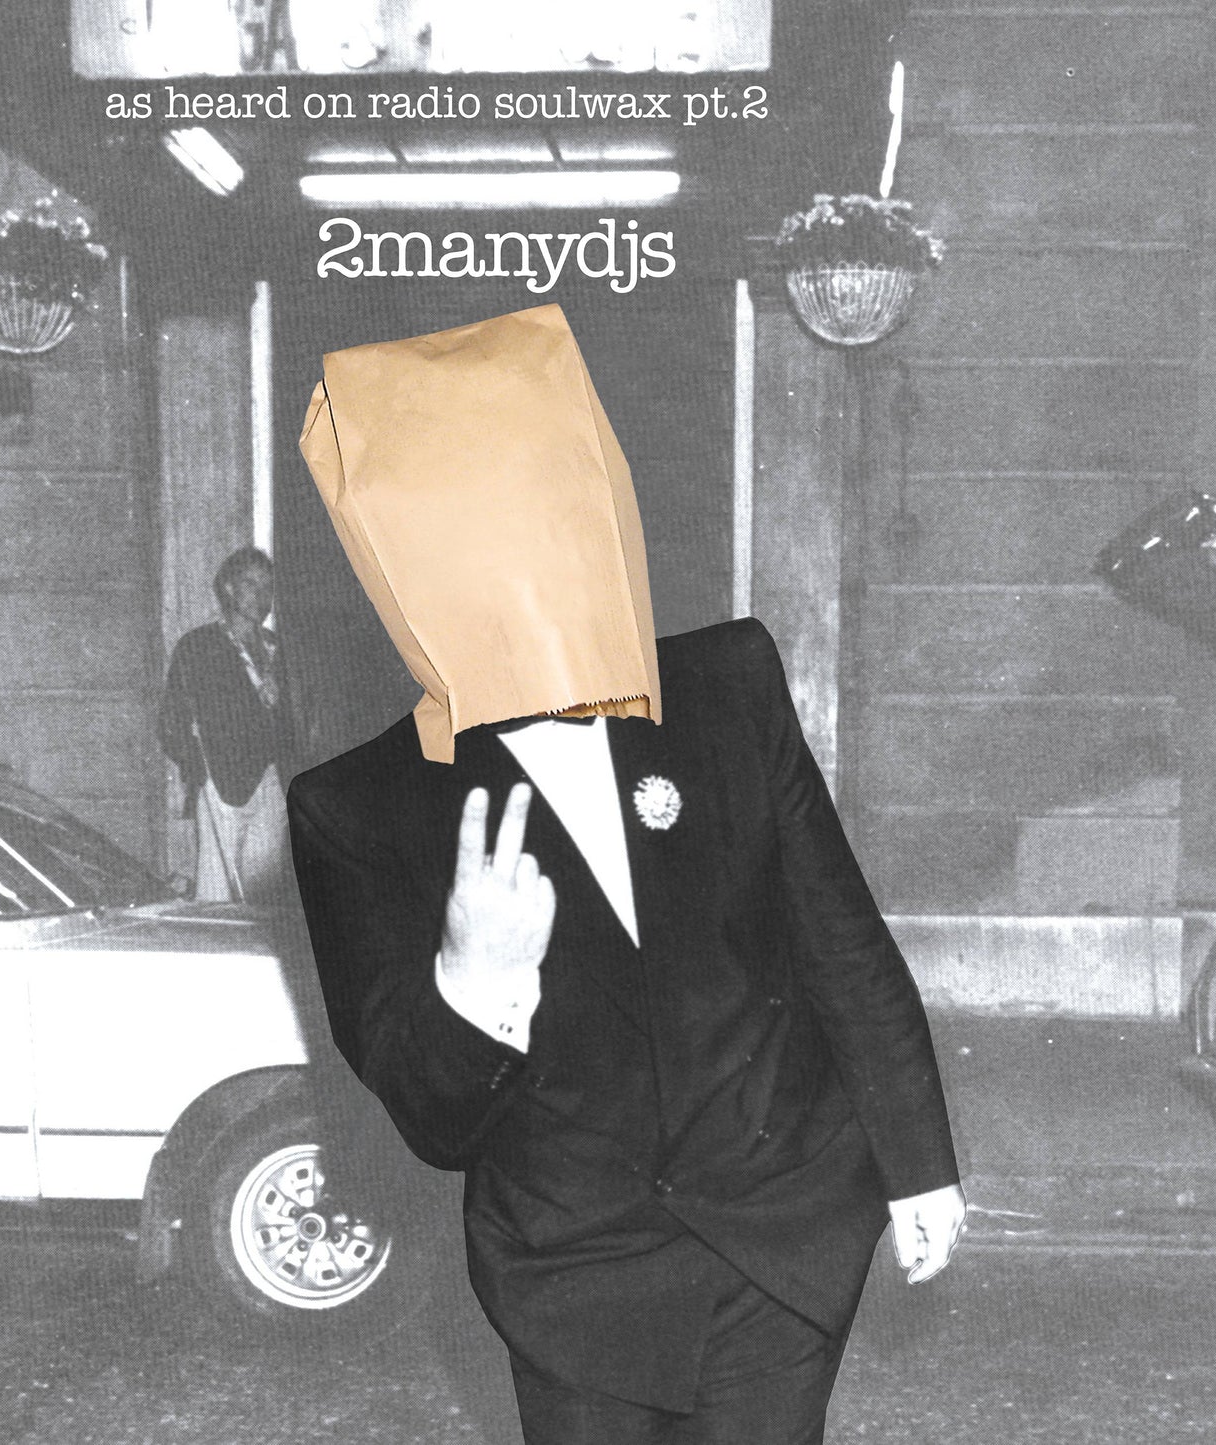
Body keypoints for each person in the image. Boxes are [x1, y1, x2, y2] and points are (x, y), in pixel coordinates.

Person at [287, 307, 965, 1444]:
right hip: (575, 1276)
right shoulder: (357, 807)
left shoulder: (729, 686)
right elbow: (430, 1120)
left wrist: (919, 1164)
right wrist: (474, 983)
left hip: (777, 1233)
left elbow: (840, 942)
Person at [159, 546, 295, 903]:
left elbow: (294, 719)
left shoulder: (275, 648)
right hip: (221, 781)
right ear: (229, 588)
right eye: (251, 584)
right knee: (217, 889)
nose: (261, 596)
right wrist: (198, 770)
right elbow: (172, 722)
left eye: (268, 586)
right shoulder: (198, 646)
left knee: (263, 891)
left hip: (270, 782)